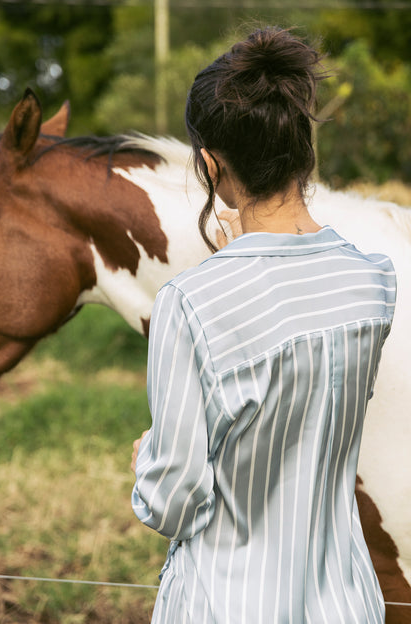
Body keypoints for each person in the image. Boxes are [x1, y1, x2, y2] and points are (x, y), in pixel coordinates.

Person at [130, 26, 396, 623]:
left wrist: (149, 460)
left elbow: (171, 501)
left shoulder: (191, 303)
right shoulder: (374, 281)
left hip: (227, 604)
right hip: (346, 601)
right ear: (302, 150)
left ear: (208, 164)